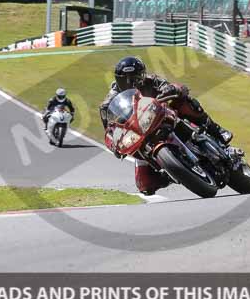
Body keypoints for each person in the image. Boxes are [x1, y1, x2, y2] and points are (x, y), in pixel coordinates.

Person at [99, 56, 232, 195]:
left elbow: (171, 86)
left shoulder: (151, 80)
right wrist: (113, 144)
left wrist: (172, 89)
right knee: (145, 186)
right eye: (125, 79)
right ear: (117, 79)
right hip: (139, 135)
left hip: (160, 116)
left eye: (135, 77)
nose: (131, 82)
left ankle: (216, 129)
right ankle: (172, 172)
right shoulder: (108, 103)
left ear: (142, 75)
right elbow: (109, 131)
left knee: (184, 101)